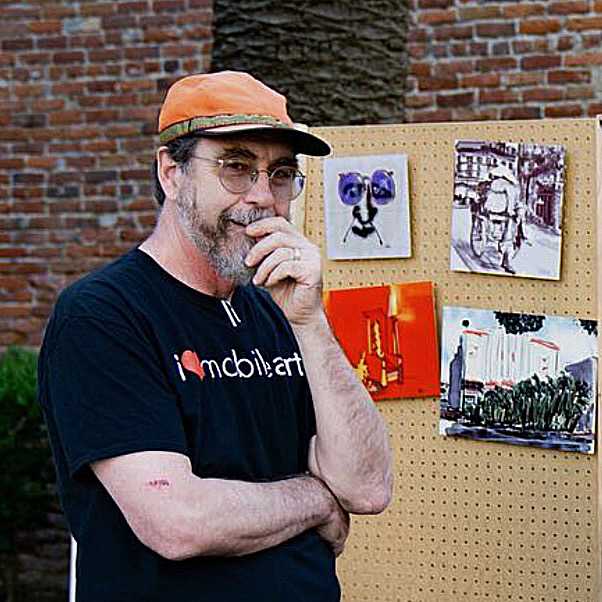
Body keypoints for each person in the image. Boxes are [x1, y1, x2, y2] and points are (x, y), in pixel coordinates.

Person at [37, 70, 393, 601]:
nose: (262, 197)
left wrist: (311, 323)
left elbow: (367, 487)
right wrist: (318, 500)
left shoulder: (279, 312)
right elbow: (177, 521)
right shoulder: (102, 315)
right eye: (236, 167)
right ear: (172, 173)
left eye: (280, 174)